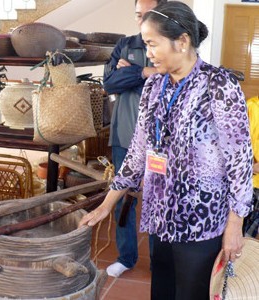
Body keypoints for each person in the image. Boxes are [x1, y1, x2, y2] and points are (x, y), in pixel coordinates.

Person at [80, 2, 253, 299]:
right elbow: (138, 152)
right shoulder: (154, 86)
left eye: (152, 43)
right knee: (161, 290)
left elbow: (240, 160)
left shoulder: (218, 84)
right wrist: (108, 203)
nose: (147, 53)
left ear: (182, 41)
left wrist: (235, 224)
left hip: (202, 220)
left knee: (192, 292)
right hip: (161, 214)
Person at [103, 0, 163, 277]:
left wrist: (128, 73)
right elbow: (109, 84)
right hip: (125, 135)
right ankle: (126, 258)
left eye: (148, 16)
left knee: (156, 200)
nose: (142, 22)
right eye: (139, 16)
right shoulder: (125, 45)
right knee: (125, 198)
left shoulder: (169, 46)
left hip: (161, 142)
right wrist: (141, 71)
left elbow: (171, 79)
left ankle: (158, 261)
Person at [243, 95, 259, 237]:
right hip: (252, 182)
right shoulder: (251, 106)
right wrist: (252, 166)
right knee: (246, 230)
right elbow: (241, 142)